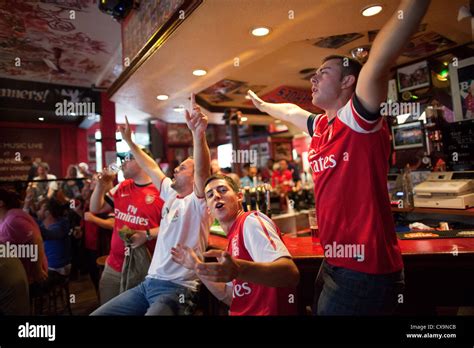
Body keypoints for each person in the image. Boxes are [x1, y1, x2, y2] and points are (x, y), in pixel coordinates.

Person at [247, 0, 430, 315]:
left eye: (323, 73)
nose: (313, 80)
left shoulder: (358, 120)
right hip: (333, 262)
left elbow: (381, 58)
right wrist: (263, 106)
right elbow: (292, 111)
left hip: (365, 271)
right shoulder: (321, 126)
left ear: (349, 81)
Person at [91, 94, 211, 316]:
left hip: (178, 288)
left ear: (195, 179)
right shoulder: (170, 195)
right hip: (148, 284)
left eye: (182, 167)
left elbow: (204, 172)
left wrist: (198, 134)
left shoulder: (199, 203)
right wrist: (129, 142)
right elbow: (151, 167)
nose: (175, 169)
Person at [172, 174, 299, 315]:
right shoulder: (231, 241)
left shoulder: (250, 222)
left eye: (222, 190)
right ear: (208, 210)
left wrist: (239, 270)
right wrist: (196, 267)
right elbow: (230, 296)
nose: (216, 196)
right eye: (210, 194)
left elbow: (290, 273)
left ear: (239, 196)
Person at [89, 146, 164, 304]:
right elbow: (95, 208)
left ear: (143, 162)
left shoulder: (162, 191)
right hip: (114, 264)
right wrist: (101, 184)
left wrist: (147, 234)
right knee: (107, 309)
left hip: (143, 269)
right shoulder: (123, 186)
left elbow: (172, 226)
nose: (122, 162)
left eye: (128, 159)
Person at [0, 189, 48, 285]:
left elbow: (36, 240)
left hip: (30, 277)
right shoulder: (6, 218)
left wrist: (38, 270)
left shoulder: (12, 220)